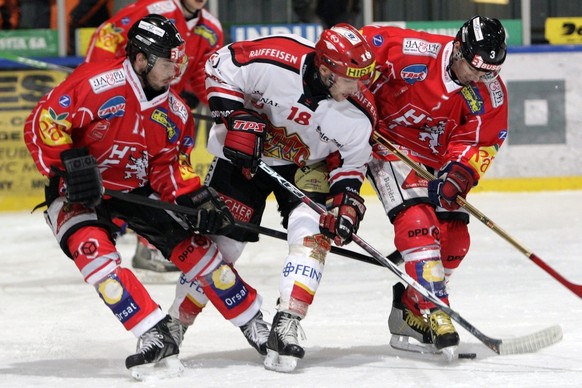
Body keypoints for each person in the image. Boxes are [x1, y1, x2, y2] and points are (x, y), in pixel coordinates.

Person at [23, 14, 266, 378]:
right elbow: (44, 123)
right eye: (168, 62)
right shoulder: (95, 83)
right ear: (141, 59)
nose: (175, 71)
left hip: (136, 191)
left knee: (200, 254)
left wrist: (195, 198)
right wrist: (70, 162)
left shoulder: (176, 112)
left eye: (178, 61)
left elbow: (168, 167)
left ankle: (252, 320)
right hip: (79, 191)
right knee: (95, 256)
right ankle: (151, 331)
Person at [175, 23, 376, 372]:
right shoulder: (275, 58)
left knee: (312, 236)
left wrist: (346, 201)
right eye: (350, 78)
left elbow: (352, 163)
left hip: (304, 166)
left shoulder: (358, 113)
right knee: (223, 244)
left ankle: (288, 322)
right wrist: (236, 118)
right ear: (325, 70)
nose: (358, 87)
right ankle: (175, 325)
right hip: (243, 156)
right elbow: (216, 67)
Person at [360, 16, 508, 356]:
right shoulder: (412, 50)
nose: (478, 78)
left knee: (455, 238)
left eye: (488, 71)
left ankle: (409, 312)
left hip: (437, 158)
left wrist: (459, 175)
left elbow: (484, 140)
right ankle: (437, 309)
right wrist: (358, 109)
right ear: (458, 48)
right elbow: (353, 49)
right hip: (387, 143)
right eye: (474, 68)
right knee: (418, 223)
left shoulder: (490, 88)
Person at [85, 0, 224, 273]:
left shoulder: (212, 28)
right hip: (129, 104)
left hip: (167, 108)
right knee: (128, 172)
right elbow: (107, 35)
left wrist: (212, 100)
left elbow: (201, 72)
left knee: (166, 172)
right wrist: (101, 78)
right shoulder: (154, 11)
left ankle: (148, 245)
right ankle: (101, 234)